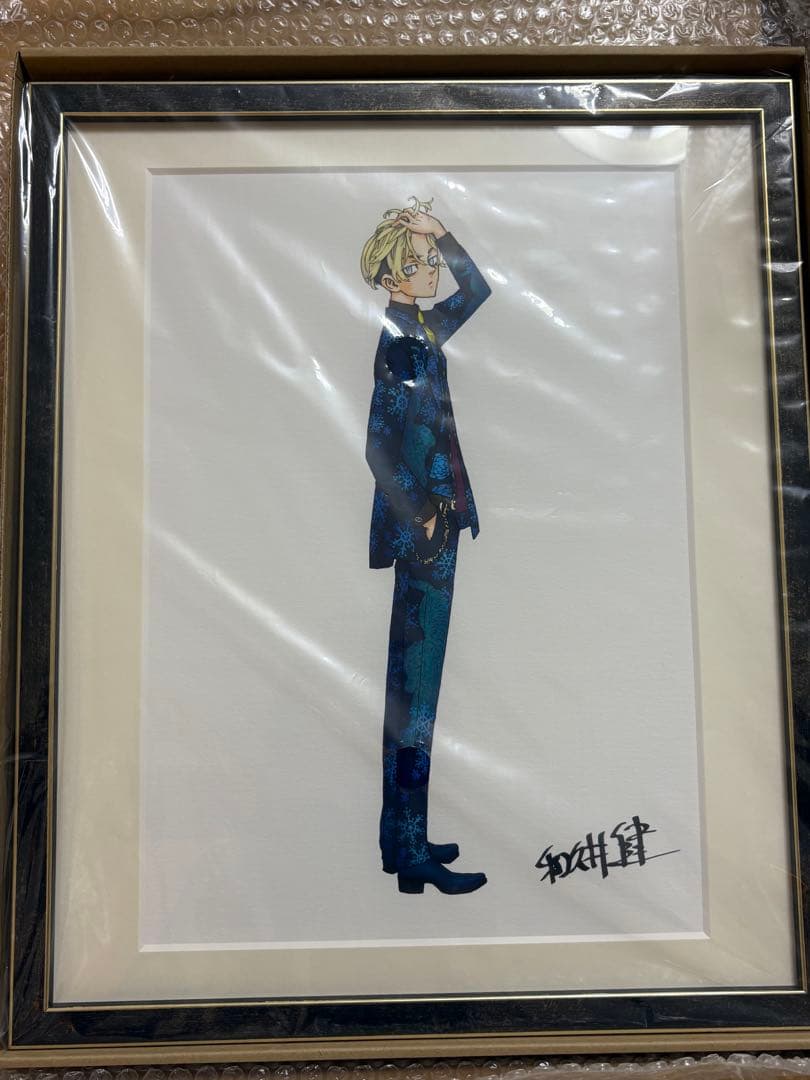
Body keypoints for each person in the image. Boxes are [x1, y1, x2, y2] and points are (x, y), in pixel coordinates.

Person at [360, 197, 491, 895]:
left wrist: (442, 232)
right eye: (419, 261)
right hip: (425, 541)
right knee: (416, 699)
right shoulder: (401, 341)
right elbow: (378, 448)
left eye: (432, 258)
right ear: (391, 277)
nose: (432, 268)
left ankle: (400, 839)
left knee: (412, 696)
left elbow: (478, 290)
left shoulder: (420, 329)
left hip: (431, 534)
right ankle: (409, 850)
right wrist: (428, 518)